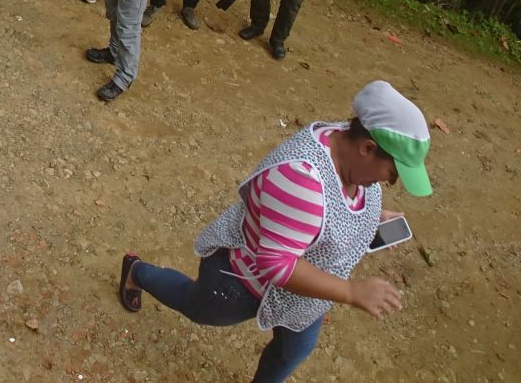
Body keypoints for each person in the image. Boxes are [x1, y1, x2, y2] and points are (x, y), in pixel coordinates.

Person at [117, 80, 432, 382]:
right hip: (243, 280)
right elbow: (277, 264)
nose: (390, 183)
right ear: (367, 148)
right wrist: (350, 292)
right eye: (392, 173)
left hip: (304, 298)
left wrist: (371, 215)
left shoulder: (344, 140)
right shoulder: (302, 180)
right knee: (199, 307)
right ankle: (138, 271)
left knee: (294, 349)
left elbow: (332, 205)